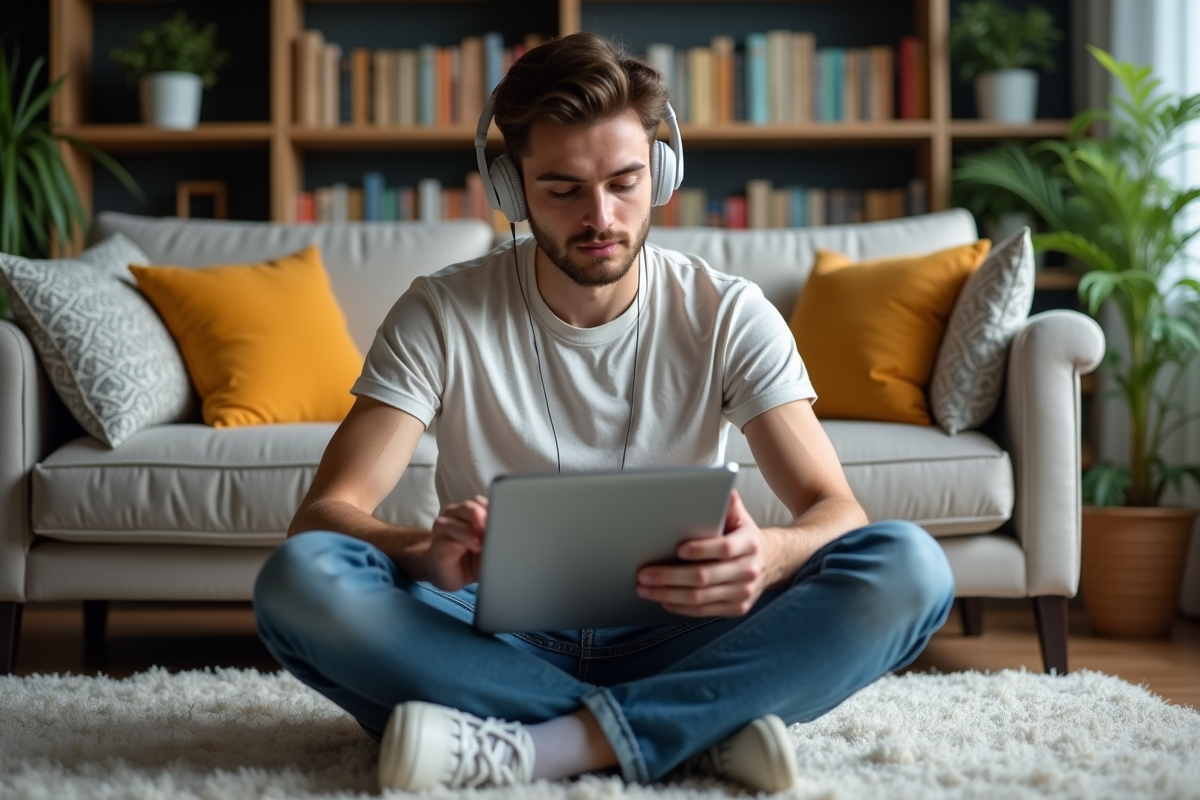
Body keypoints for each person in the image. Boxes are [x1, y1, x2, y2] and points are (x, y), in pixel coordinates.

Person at [253, 31, 955, 794]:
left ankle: (542, 745)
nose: (601, 217)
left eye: (625, 182)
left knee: (908, 566)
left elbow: (837, 509)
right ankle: (696, 729)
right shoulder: (440, 312)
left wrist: (772, 553)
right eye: (562, 190)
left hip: (686, 627)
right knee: (301, 580)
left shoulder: (728, 312)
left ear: (662, 172)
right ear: (511, 190)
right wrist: (422, 551)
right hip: (489, 632)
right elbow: (323, 515)